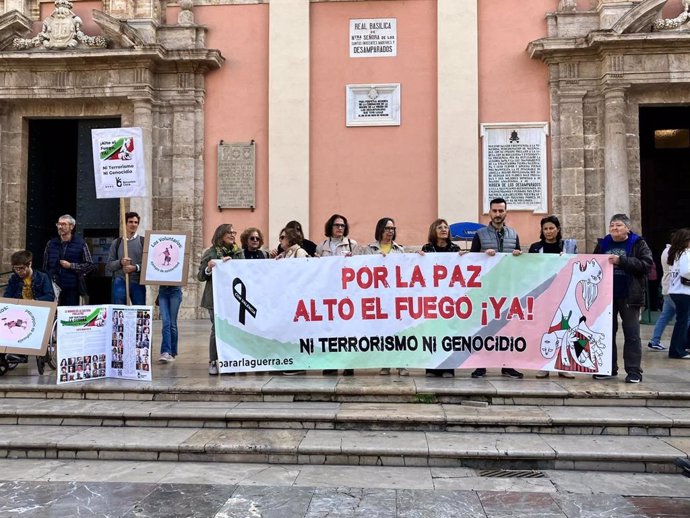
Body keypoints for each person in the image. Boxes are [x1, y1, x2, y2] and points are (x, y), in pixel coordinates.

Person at [593, 214, 652, 383]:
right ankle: (608, 368)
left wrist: (622, 261)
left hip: (629, 295)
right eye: (612, 225)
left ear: (627, 228)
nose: (614, 228)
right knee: (606, 333)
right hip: (606, 297)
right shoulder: (603, 244)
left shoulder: (638, 243)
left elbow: (646, 265)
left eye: (618, 225)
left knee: (632, 334)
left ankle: (634, 371)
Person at [469, 198, 524, 380]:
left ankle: (507, 366)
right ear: (490, 212)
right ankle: (480, 365)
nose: (498, 214)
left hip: (507, 288)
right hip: (486, 288)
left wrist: (517, 255)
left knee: (507, 328)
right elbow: (472, 260)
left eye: (501, 211)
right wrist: (483, 256)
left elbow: (519, 261)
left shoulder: (513, 234)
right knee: (483, 327)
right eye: (495, 211)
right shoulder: (480, 234)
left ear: (506, 212)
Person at [356, 217, 407, 376]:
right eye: (387, 229)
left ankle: (401, 364)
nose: (390, 232)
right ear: (380, 230)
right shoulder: (369, 249)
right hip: (377, 296)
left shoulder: (400, 249)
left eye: (393, 229)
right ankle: (385, 364)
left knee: (399, 330)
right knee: (382, 330)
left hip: (395, 296)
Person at [529, 215, 576, 379]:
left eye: (551, 228)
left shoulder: (568, 246)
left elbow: (575, 265)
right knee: (544, 331)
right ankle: (544, 365)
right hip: (543, 296)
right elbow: (529, 269)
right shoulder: (535, 248)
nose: (549, 231)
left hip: (563, 295)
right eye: (545, 229)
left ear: (558, 229)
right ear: (542, 231)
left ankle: (563, 366)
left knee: (564, 330)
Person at [198, 223, 241, 375]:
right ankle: (213, 361)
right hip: (214, 299)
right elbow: (200, 276)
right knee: (217, 329)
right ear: (220, 234)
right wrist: (209, 268)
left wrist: (233, 265)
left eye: (234, 232)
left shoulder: (238, 253)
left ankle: (229, 361)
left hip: (232, 299)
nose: (232, 235)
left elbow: (244, 272)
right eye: (229, 232)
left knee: (232, 329)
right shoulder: (210, 253)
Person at [317, 214, 357, 376]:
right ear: (330, 227)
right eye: (337, 225)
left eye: (342, 225)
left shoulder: (352, 245)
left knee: (347, 329)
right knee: (329, 329)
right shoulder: (321, 246)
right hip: (328, 292)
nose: (340, 228)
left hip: (346, 292)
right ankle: (330, 363)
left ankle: (348, 364)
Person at [2, 250, 56, 369]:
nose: (19, 272)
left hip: (37, 312)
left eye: (21, 268)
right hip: (19, 312)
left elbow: (50, 296)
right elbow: (7, 296)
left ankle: (19, 351)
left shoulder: (42, 277)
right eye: (16, 269)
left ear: (29, 264)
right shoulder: (14, 279)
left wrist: (34, 302)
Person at [421, 218, 460, 378]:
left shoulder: (455, 248)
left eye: (446, 227)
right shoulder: (427, 248)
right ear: (434, 231)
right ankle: (431, 368)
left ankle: (448, 368)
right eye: (440, 227)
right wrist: (418, 257)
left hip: (450, 298)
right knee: (432, 332)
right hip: (432, 297)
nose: (444, 229)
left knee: (448, 332)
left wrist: (464, 257)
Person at [43, 214, 95, 306]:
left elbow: (89, 265)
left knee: (69, 315)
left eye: (63, 224)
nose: (60, 227)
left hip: (72, 287)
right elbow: (45, 265)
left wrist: (71, 265)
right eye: (58, 224)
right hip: (53, 286)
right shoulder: (51, 243)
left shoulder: (81, 243)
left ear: (71, 226)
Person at [278, 228, 308, 375]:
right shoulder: (286, 254)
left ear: (291, 238)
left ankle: (298, 363)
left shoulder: (299, 253)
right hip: (288, 300)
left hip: (297, 300)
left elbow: (303, 274)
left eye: (282, 237)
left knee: (296, 333)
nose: (280, 240)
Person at [106, 211, 146, 305]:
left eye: (136, 222)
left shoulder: (143, 242)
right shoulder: (116, 243)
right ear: (125, 223)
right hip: (120, 280)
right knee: (119, 311)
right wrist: (120, 262)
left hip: (138, 282)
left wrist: (135, 267)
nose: (133, 224)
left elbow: (149, 264)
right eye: (130, 222)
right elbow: (109, 265)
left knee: (139, 311)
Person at [666, 228, 690, 360]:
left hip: (676, 290)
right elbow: (686, 272)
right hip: (684, 291)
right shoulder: (686, 253)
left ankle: (680, 347)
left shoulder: (676, 254)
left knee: (682, 320)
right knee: (682, 321)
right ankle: (678, 350)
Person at [648, 241, 673, 351]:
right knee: (685, 318)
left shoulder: (666, 251)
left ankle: (655, 340)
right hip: (675, 289)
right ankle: (683, 343)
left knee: (665, 317)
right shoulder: (675, 252)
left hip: (668, 288)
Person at [158, 283, 183, 363]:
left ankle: (172, 352)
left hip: (175, 290)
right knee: (165, 322)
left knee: (172, 323)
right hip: (162, 290)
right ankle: (165, 352)